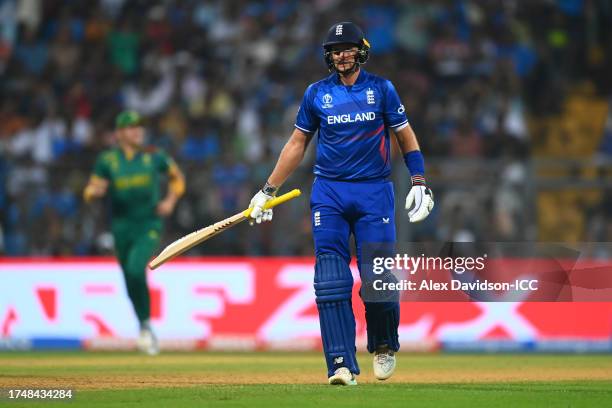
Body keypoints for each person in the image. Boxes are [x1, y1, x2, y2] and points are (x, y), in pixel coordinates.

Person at [248, 22, 434, 385]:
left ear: (361, 50)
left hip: (374, 192)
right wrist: (267, 190)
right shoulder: (316, 93)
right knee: (330, 279)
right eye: (335, 50)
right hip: (329, 192)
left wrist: (420, 181)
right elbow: (296, 144)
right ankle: (340, 364)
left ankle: (383, 344)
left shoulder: (382, 89)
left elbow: (405, 135)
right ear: (328, 56)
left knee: (377, 276)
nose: (341, 55)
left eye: (348, 48)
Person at [83, 110, 185, 355]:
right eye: (131, 127)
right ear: (119, 133)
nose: (138, 130)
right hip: (121, 226)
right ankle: (144, 326)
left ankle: (147, 326)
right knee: (129, 277)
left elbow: (177, 178)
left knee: (135, 267)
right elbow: (90, 190)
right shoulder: (108, 161)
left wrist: (170, 201)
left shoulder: (154, 156)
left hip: (148, 223)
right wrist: (94, 192)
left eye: (140, 126)